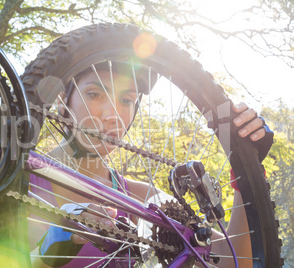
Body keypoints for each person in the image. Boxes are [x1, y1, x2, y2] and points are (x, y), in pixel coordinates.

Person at [27, 62, 274, 268]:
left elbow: (236, 259)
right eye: (95, 94)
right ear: (63, 99)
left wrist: (247, 169)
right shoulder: (20, 180)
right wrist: (44, 253)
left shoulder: (140, 197)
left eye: (126, 100)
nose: (112, 112)